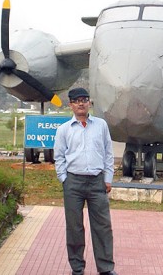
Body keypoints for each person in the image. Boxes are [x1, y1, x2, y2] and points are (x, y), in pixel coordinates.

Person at [54, 87, 117, 275]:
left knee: (103, 227)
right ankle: (77, 268)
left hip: (97, 182)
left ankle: (106, 268)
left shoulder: (101, 125)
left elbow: (108, 153)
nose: (81, 103)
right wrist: (64, 179)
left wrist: (108, 178)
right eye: (76, 100)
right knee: (74, 227)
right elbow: (59, 157)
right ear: (71, 105)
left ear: (89, 102)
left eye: (84, 99)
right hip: (73, 183)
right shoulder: (64, 129)